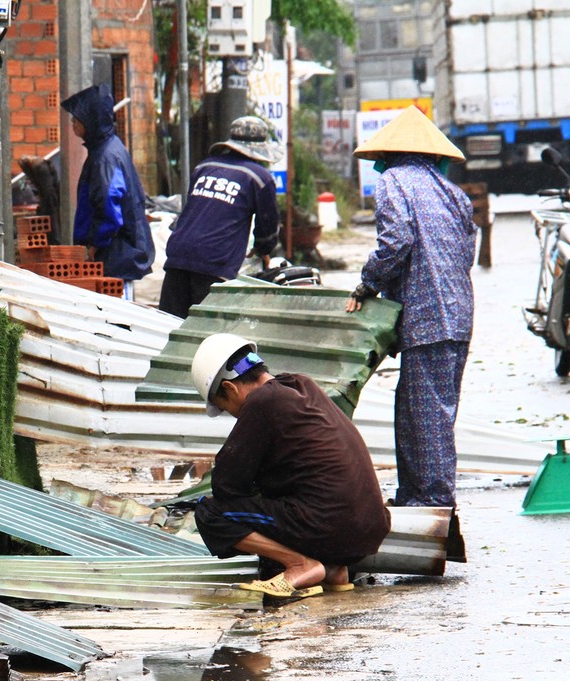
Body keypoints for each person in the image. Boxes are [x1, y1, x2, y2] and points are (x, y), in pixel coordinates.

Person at [344, 105, 476, 510]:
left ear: (389, 155)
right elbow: (468, 251)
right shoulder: (454, 194)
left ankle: (434, 502)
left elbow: (396, 241)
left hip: (426, 316)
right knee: (423, 412)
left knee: (425, 417)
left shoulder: (393, 182)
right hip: (458, 315)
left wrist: (368, 283)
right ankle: (415, 496)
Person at [191, 333, 391, 598]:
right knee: (291, 493)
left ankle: (300, 565)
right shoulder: (302, 385)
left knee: (211, 513)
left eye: (226, 408)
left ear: (230, 388)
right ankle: (334, 570)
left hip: (330, 527)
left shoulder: (261, 401)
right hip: (369, 529)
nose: (234, 415)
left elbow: (226, 485)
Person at [159, 116, 282, 318]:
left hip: (178, 255)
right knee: (206, 329)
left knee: (170, 323)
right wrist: (264, 250)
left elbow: (195, 210)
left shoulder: (204, 167)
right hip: (215, 262)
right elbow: (267, 227)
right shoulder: (260, 178)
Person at [60, 84, 155, 300]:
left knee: (116, 312)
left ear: (90, 121)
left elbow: (109, 208)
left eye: (77, 118)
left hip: (118, 255)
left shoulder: (106, 157)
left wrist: (95, 244)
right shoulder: (105, 150)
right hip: (117, 253)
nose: (72, 122)